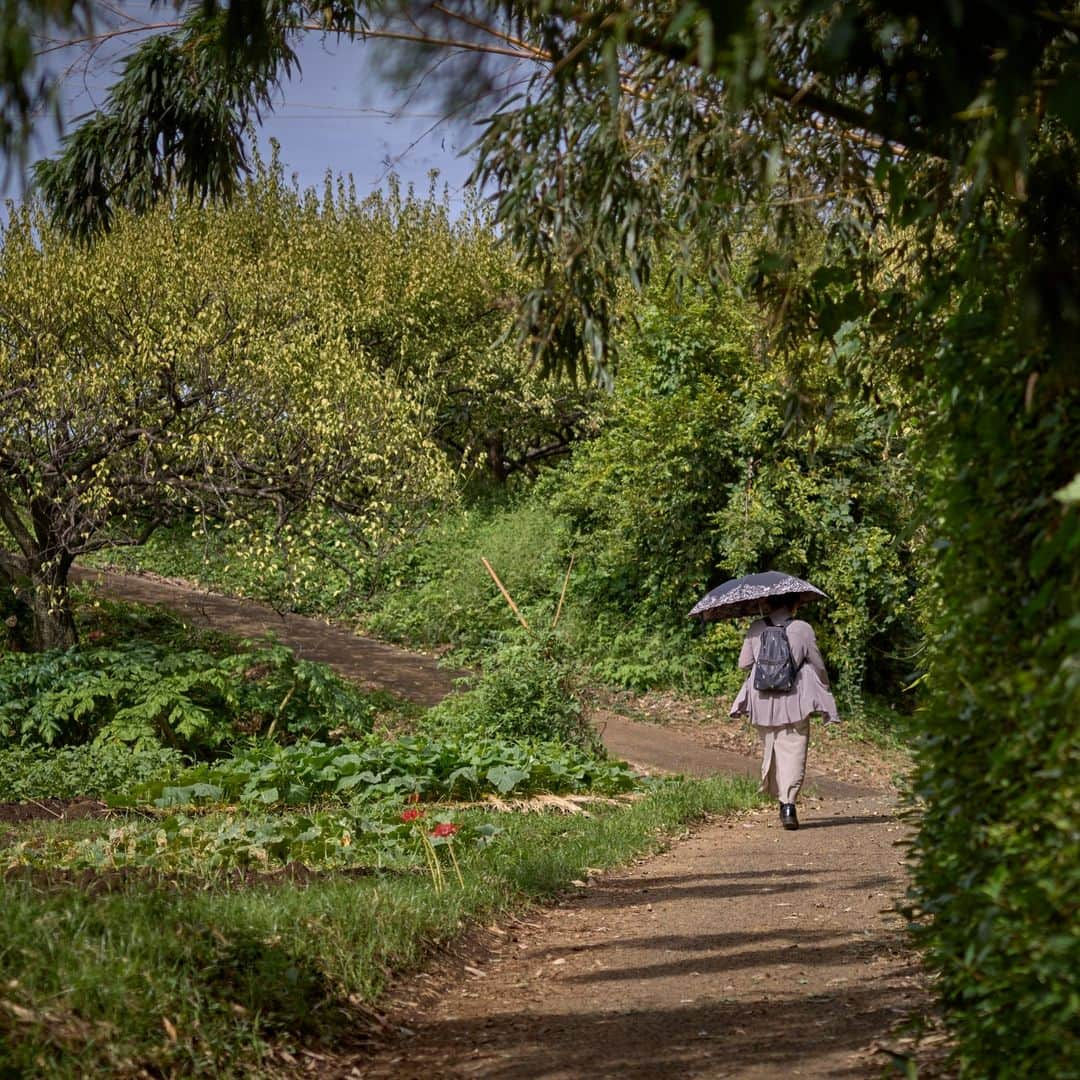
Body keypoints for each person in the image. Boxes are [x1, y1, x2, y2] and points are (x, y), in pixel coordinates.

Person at [729, 592, 840, 830]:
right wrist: (824, 687)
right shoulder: (803, 628)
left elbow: (743, 664)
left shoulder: (757, 627)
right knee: (794, 750)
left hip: (762, 700)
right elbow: (818, 664)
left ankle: (773, 790)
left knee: (773, 747)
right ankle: (787, 804)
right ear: (795, 603)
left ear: (768, 603)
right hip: (794, 699)